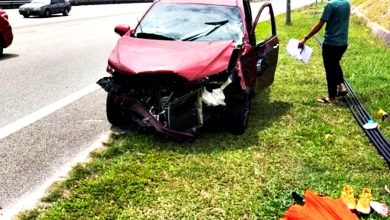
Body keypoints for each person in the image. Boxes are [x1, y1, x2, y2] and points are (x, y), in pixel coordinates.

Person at [299, 0, 351, 104]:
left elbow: (319, 25)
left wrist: (305, 38)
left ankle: (331, 98)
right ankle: (341, 86)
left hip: (331, 43)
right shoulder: (346, 3)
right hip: (343, 43)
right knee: (335, 64)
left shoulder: (331, 5)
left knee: (330, 70)